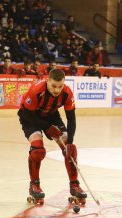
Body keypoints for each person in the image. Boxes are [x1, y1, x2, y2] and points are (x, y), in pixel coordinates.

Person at [17, 69, 87, 205]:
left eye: (60, 86)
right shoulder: (37, 90)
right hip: (30, 117)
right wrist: (47, 127)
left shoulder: (67, 93)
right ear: (47, 81)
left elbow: (71, 119)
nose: (57, 90)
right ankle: (34, 185)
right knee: (38, 150)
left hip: (51, 115)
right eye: (54, 86)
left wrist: (70, 142)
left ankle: (74, 185)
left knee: (69, 149)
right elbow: (26, 114)